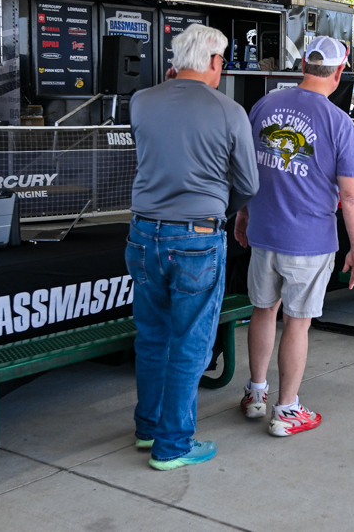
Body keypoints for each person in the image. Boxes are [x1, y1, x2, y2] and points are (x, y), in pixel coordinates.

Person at [127, 24, 259, 470]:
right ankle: (173, 444)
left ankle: (148, 428)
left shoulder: (141, 101)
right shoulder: (229, 111)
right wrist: (221, 208)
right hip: (197, 236)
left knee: (152, 336)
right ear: (215, 62)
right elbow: (248, 184)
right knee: (190, 342)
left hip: (143, 235)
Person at [236, 36, 354, 435]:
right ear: (339, 72)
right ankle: (287, 410)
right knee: (297, 322)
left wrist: (243, 214)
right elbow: (351, 195)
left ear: (303, 66)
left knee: (263, 310)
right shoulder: (339, 123)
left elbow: (248, 169)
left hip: (263, 232)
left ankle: (256, 393)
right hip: (309, 240)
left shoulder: (264, 105)